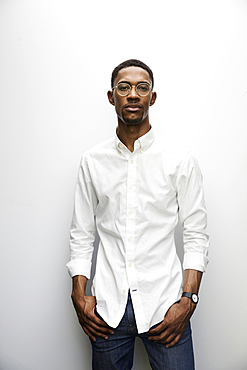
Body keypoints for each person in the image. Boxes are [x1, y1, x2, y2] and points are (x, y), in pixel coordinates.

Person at [66, 59, 209, 370]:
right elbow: (82, 232)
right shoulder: (92, 161)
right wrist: (79, 295)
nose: (133, 94)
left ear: (152, 98)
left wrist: (188, 300)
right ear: (111, 96)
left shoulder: (180, 160)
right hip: (107, 309)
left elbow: (196, 234)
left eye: (142, 88)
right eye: (124, 87)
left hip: (164, 305)